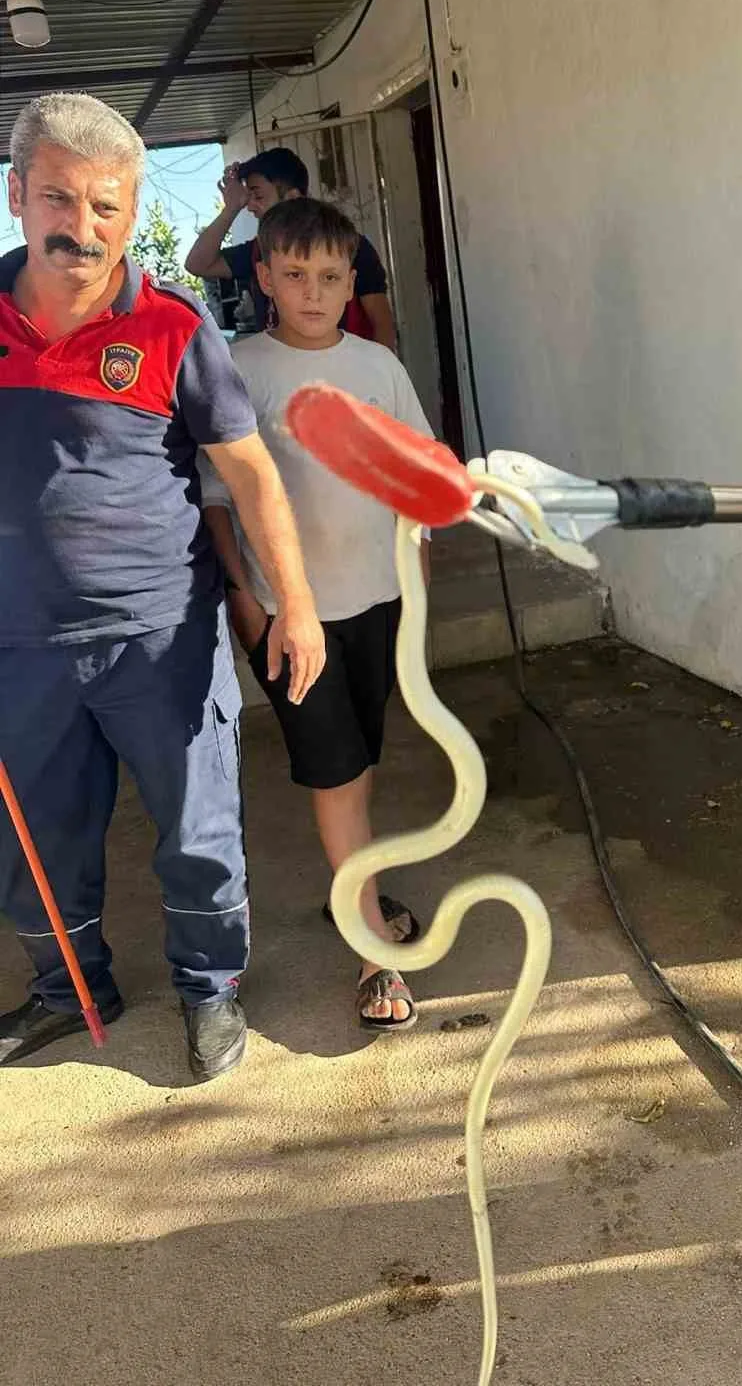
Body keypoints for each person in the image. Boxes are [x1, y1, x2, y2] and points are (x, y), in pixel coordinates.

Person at [0, 94, 326, 1080]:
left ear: (134, 214)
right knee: (39, 845)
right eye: (61, 198)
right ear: (19, 197)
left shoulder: (175, 327)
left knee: (199, 832)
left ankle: (209, 990)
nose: (83, 227)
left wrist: (293, 604)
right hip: (21, 647)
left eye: (108, 207)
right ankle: (70, 990)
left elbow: (254, 472)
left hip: (163, 638)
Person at [201, 197, 434, 1032]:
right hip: (294, 621)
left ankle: (359, 891)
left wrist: (418, 590)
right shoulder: (237, 367)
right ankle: (377, 956)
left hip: (377, 601)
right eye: (294, 274)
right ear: (262, 276)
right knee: (335, 773)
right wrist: (245, 600)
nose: (312, 292)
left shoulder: (379, 369)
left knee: (359, 761)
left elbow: (415, 477)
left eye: (330, 276)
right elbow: (219, 501)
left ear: (351, 282)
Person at [185, 146, 396, 349]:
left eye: (258, 197)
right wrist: (230, 209)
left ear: (292, 197)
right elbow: (198, 264)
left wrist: (377, 375)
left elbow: (382, 323)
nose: (250, 206)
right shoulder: (259, 251)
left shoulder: (348, 247)